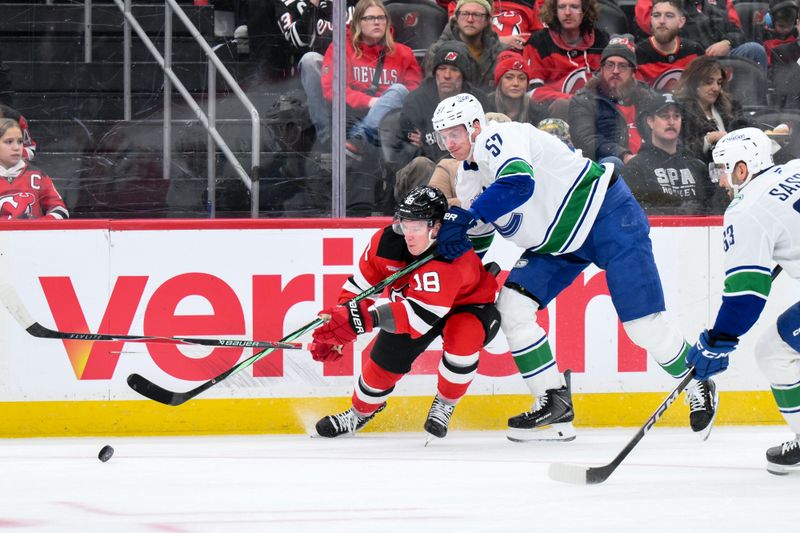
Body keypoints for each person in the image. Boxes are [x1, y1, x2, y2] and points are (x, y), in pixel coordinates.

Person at [430, 93, 718, 442]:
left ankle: (695, 380)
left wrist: (471, 215)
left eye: (455, 132)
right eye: (443, 135)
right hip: (556, 246)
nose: (450, 142)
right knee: (513, 308)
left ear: (476, 126)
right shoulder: (466, 176)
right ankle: (553, 401)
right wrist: (462, 271)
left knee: (643, 327)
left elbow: (518, 182)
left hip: (606, 216)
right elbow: (478, 237)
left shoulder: (499, 136)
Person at [311, 185, 500, 440]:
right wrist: (338, 329)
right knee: (383, 363)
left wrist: (361, 320)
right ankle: (359, 413)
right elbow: (358, 289)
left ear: (435, 227)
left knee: (463, 339)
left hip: (467, 305)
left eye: (417, 227)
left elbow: (420, 318)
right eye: (404, 225)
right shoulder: (385, 243)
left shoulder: (450, 257)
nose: (408, 235)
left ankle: (444, 404)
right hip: (415, 304)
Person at [686, 127, 800, 474]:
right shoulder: (795, 167)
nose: (720, 181)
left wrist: (718, 342)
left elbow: (745, 296)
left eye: (721, 170)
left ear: (741, 168)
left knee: (775, 353)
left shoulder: (746, 209)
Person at [319, 0, 422, 161]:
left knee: (399, 90)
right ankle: (359, 138)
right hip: (351, 120)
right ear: (358, 22)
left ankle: (360, 138)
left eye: (381, 18)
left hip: (390, 127)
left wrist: (388, 103)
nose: (377, 22)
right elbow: (332, 89)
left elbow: (415, 95)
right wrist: (370, 101)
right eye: (370, 18)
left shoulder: (404, 53)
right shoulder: (341, 48)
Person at [388, 40, 489, 199]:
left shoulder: (478, 100)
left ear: (463, 74)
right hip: (426, 175)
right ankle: (420, 215)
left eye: (454, 69)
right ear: (435, 72)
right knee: (422, 164)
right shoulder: (415, 101)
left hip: (468, 168)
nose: (447, 75)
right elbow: (409, 153)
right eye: (442, 68)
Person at [569, 34, 657, 169]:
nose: (615, 71)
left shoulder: (649, 98)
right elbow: (586, 140)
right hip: (609, 166)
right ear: (602, 68)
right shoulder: (585, 99)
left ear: (633, 72)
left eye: (622, 66)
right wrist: (623, 155)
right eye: (610, 65)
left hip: (650, 164)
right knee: (612, 164)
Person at [624, 92, 719, 214]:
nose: (671, 122)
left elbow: (713, 208)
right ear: (650, 121)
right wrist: (676, 213)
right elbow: (634, 211)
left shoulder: (697, 166)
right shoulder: (636, 168)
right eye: (664, 116)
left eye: (676, 116)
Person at [522, 0, 609, 120]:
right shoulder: (538, 42)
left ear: (584, 10)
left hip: (595, 114)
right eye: (562, 7)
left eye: (574, 6)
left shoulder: (601, 39)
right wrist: (573, 101)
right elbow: (532, 92)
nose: (567, 12)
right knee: (562, 106)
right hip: (552, 118)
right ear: (555, 11)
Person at [634, 0, 768, 76]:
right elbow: (653, 25)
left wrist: (727, 42)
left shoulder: (718, 4)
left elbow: (737, 31)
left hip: (717, 57)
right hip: (680, 57)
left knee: (754, 50)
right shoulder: (666, 6)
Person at [673, 55, 746, 164]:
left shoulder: (732, 107)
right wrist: (708, 140)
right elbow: (681, 151)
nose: (716, 88)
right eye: (708, 82)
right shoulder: (680, 111)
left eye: (719, 82)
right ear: (693, 83)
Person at [425, 0, 507, 90]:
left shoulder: (501, 53)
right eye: (465, 14)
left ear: (487, 20)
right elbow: (430, 92)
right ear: (456, 17)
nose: (470, 20)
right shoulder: (437, 52)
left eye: (477, 15)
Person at [0, 118, 68, 220]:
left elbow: (60, 210)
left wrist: (38, 226)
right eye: (9, 142)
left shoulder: (37, 175)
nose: (16, 147)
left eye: (20, 141)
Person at [635, 0, 704, 92]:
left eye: (669, 16)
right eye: (656, 15)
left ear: (681, 22)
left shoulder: (695, 51)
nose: (662, 21)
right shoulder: (637, 55)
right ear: (651, 20)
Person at [490, 50, 543, 124]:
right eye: (509, 77)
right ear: (499, 81)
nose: (516, 83)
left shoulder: (537, 111)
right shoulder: (485, 106)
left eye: (521, 78)